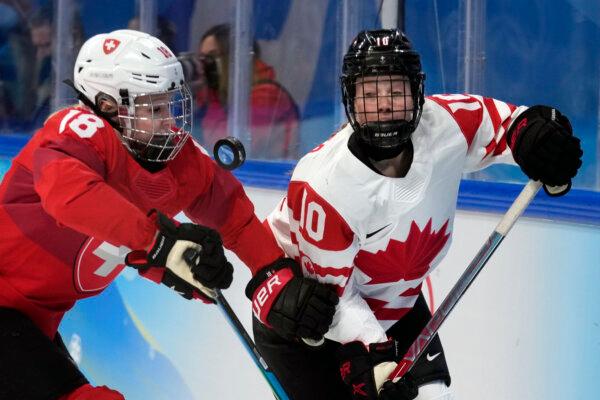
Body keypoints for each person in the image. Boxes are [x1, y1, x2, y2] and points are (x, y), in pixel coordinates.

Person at [245, 29, 583, 400]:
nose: (384, 105)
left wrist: (538, 139)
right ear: (350, 101)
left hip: (395, 300)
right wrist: (379, 361)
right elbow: (335, 300)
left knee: (433, 395)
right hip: (311, 324)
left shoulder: (445, 123)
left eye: (395, 91)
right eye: (370, 94)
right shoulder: (324, 186)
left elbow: (509, 125)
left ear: (417, 93)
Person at [0, 29, 337, 399]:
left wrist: (273, 275)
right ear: (107, 105)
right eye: (152, 108)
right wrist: (162, 244)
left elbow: (232, 216)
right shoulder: (77, 133)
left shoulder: (169, 156)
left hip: (31, 323)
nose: (168, 121)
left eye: (169, 105)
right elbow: (70, 196)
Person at [195, 23, 300, 159]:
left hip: (269, 176)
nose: (205, 67)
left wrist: (211, 96)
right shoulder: (227, 97)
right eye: (202, 59)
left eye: (211, 58)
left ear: (233, 59)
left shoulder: (267, 95)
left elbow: (225, 148)